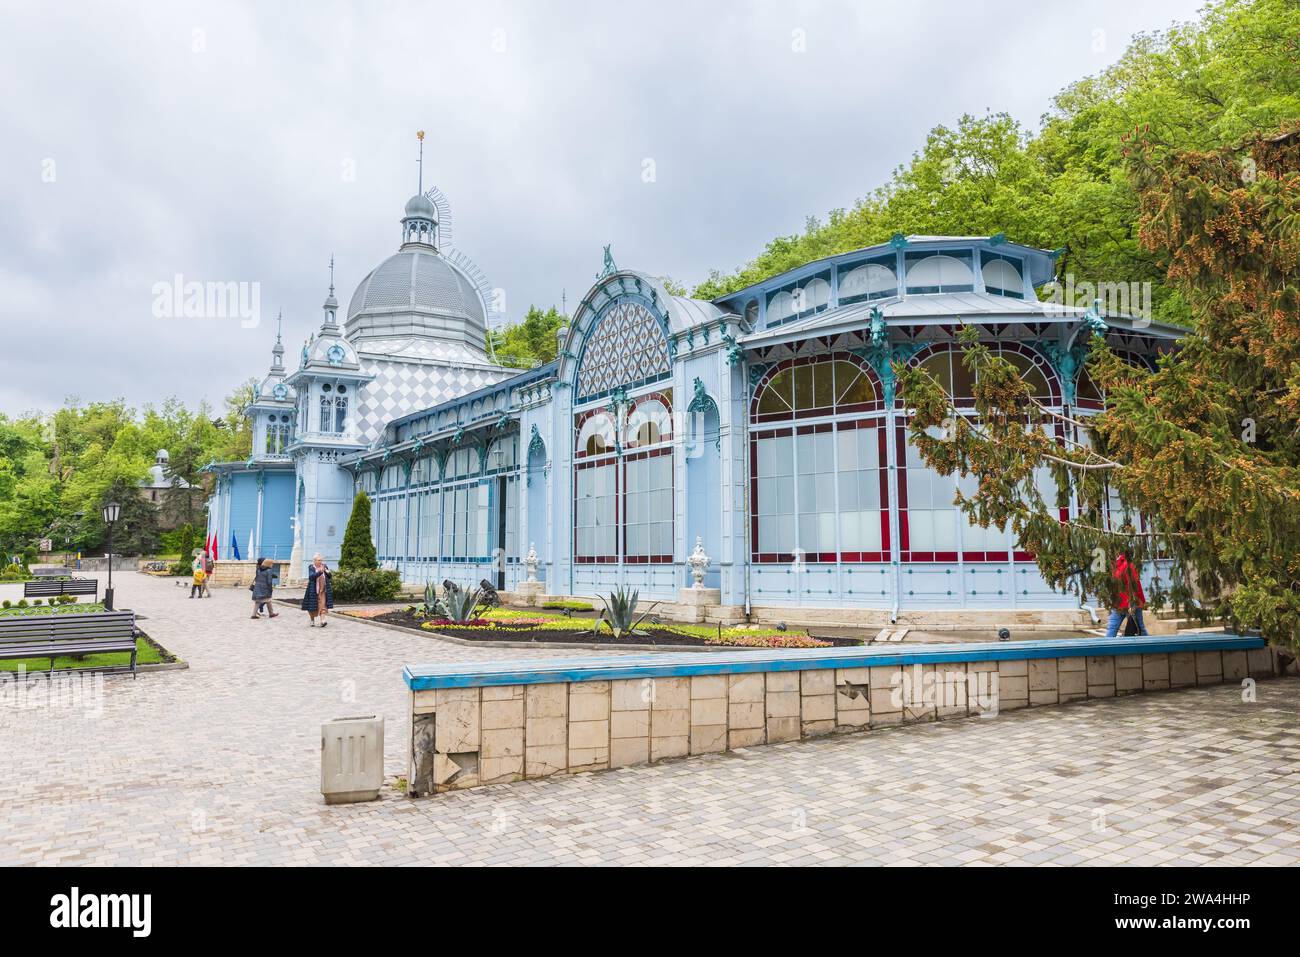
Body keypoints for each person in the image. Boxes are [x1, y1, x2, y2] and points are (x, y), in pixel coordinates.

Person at [1105, 533, 1148, 637]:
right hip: (1131, 604)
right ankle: (1152, 649)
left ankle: (1105, 651)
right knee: (1140, 628)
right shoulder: (1128, 566)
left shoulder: (1114, 567)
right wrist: (1140, 601)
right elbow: (1135, 586)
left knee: (1112, 628)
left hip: (1118, 604)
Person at [302, 553, 334, 627]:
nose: (321, 562)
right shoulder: (311, 567)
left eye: (321, 560)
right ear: (314, 561)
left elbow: (329, 576)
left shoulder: (324, 566)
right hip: (313, 590)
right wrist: (320, 572)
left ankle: (323, 621)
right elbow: (311, 577)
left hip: (323, 591)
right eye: (319, 560)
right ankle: (312, 620)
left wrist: (327, 571)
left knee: (323, 605)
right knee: (312, 607)